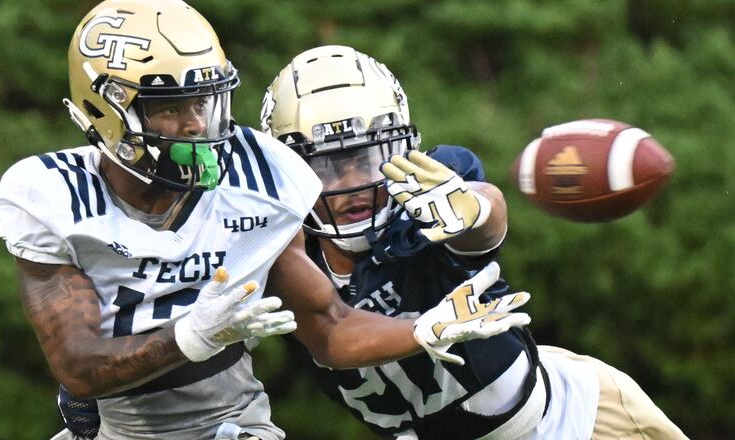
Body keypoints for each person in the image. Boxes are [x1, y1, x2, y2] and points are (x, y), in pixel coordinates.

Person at [0, 2, 531, 439]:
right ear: (107, 107)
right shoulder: (50, 197)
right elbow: (78, 367)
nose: (197, 123)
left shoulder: (261, 181)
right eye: (171, 107)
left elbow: (329, 326)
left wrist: (422, 328)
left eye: (206, 100)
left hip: (231, 423)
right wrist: (195, 335)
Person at [258, 45, 689, 439]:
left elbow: (484, 222)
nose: (352, 184)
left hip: (568, 422)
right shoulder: (281, 252)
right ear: (287, 173)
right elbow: (331, 336)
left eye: (369, 159)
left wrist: (476, 209)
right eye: (329, 165)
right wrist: (420, 331)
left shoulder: (422, 197)